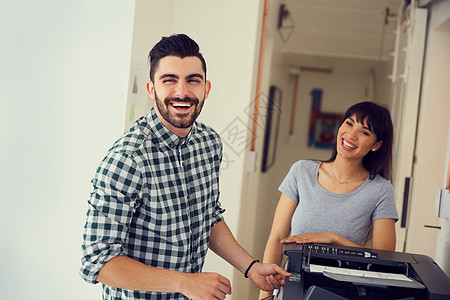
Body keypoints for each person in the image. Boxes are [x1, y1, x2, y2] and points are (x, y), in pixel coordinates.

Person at [80, 33, 290, 300]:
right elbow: (97, 261)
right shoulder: (127, 159)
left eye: (193, 80)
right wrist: (185, 283)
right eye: (169, 80)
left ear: (207, 88)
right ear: (151, 89)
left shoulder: (209, 143)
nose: (182, 92)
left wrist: (251, 267)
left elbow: (208, 217)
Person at [258, 101, 398, 299]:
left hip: (343, 293)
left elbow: (384, 261)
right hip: (293, 288)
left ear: (376, 145)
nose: (351, 134)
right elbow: (277, 237)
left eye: (364, 132)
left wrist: (334, 239)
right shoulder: (301, 171)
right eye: (349, 123)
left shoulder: (381, 190)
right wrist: (265, 295)